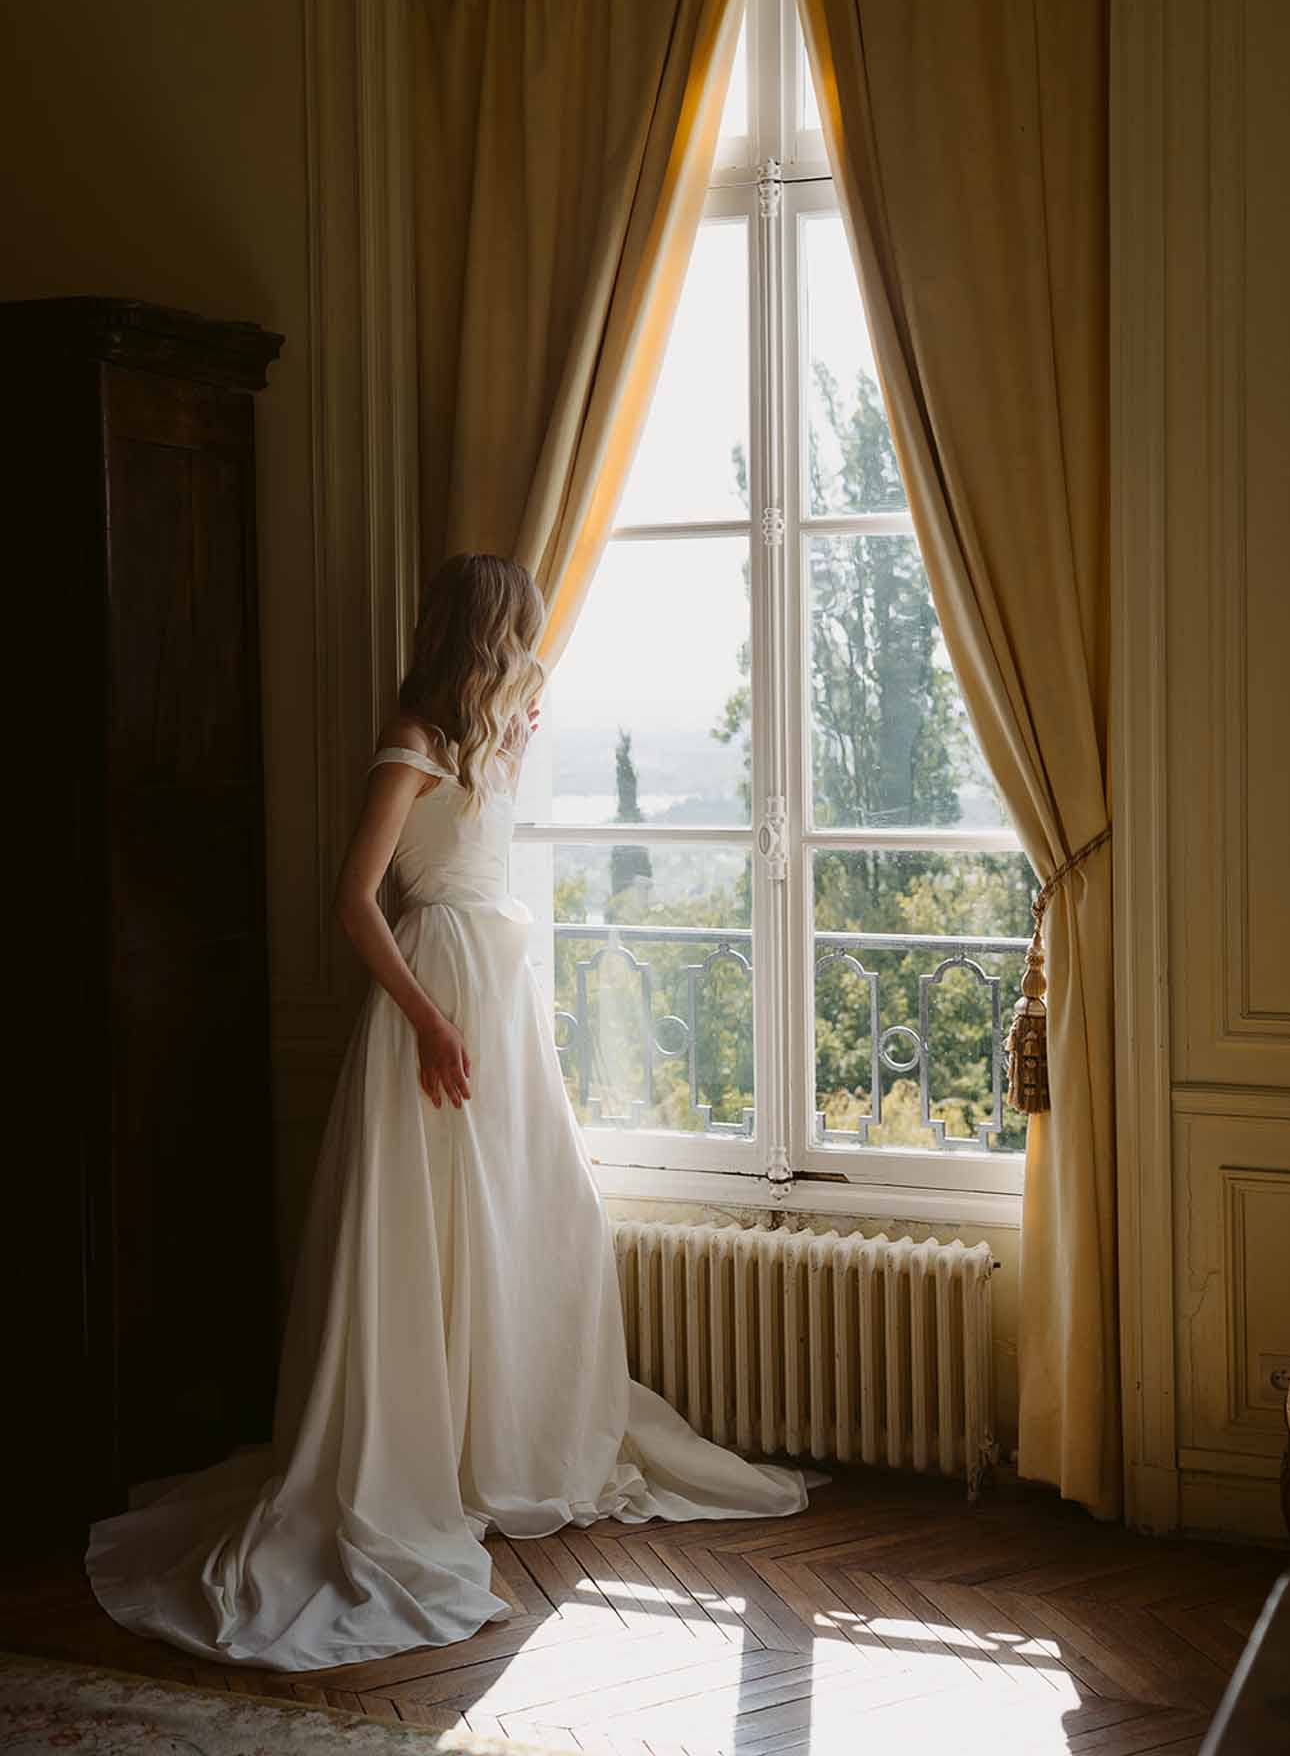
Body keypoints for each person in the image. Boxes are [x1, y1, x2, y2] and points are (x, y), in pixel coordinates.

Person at [87, 552, 815, 1671]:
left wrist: (512, 743)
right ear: (487, 633)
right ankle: (418, 1464)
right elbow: (353, 898)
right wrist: (428, 1019)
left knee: (530, 1221)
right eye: (519, 631)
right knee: (426, 1236)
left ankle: (508, 1442)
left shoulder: (492, 737)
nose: (532, 651)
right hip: (436, 999)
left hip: (502, 997)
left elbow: (494, 812)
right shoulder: (413, 743)